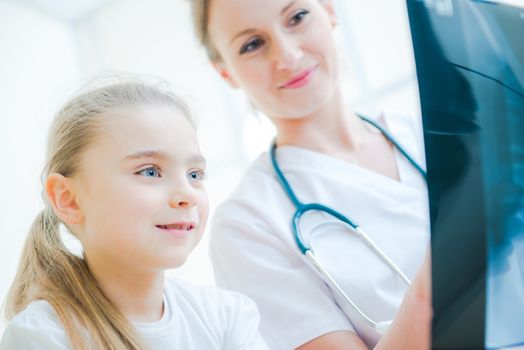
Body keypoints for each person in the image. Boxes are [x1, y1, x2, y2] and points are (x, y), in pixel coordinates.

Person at [190, 0, 432, 349]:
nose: (287, 56)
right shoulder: (247, 224)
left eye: (297, 17)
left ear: (330, 11)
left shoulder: (437, 134)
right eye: (252, 44)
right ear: (226, 72)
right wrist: (452, 258)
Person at [0, 78, 269, 350]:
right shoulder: (43, 337)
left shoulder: (227, 316)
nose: (187, 194)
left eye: (194, 174)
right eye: (150, 171)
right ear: (68, 199)